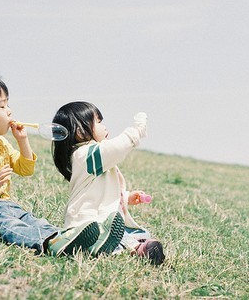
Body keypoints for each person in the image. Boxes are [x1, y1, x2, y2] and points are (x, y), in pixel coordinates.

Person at [0, 72, 101, 256]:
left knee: (35, 221)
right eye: (2, 106)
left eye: (7, 104)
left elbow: (26, 169)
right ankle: (50, 243)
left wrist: (22, 141)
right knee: (9, 225)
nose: (9, 110)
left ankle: (68, 238)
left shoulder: (0, 142)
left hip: (5, 205)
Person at [51, 101, 165, 265]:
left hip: (104, 220)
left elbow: (103, 193)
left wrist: (126, 198)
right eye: (98, 122)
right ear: (80, 131)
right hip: (88, 222)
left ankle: (138, 247)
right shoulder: (85, 154)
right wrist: (137, 131)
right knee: (108, 231)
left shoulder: (92, 156)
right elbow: (117, 148)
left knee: (136, 234)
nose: (104, 127)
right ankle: (101, 244)